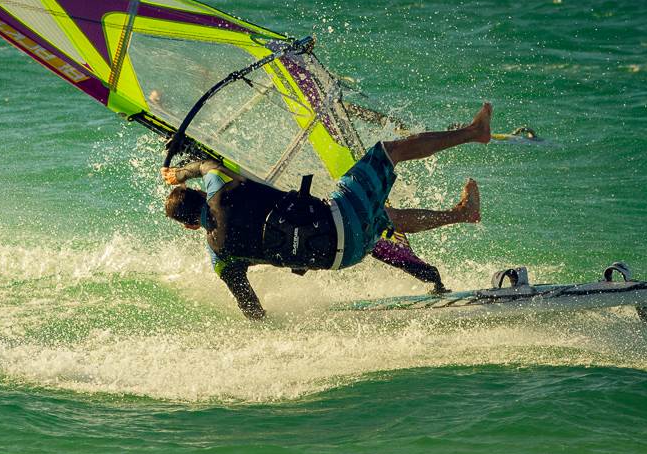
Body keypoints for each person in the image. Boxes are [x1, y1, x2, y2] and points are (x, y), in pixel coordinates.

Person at [162, 103, 493, 319]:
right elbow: (207, 165)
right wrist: (181, 173)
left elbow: (251, 308)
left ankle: (462, 213)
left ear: (190, 227)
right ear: (200, 193)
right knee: (388, 152)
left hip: (345, 257)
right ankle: (474, 133)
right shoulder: (219, 189)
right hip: (340, 217)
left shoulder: (220, 258)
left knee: (378, 218)